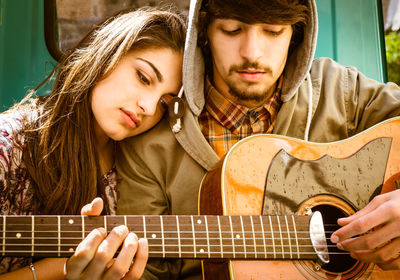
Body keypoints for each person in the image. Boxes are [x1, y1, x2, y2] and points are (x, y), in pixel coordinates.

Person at [116, 0, 400, 279]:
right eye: (231, 30)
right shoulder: (149, 145)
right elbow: (147, 271)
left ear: (296, 35)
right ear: (204, 30)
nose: (252, 53)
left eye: (273, 32)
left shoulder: (341, 92)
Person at [0, 7, 185, 279]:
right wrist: (59, 269)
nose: (147, 107)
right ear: (107, 54)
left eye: (164, 103)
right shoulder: (9, 145)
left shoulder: (140, 166)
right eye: (143, 77)